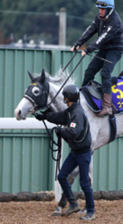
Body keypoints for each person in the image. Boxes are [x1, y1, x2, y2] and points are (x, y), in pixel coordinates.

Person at [35, 84, 95, 221]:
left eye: (65, 97)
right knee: (62, 176)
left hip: (83, 153)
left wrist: (60, 131)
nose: (64, 99)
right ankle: (73, 203)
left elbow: (74, 132)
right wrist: (44, 116)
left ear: (68, 98)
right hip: (75, 152)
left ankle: (91, 211)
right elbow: (58, 116)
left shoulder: (77, 113)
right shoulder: (70, 111)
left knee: (84, 182)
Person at [70, 0, 123, 117]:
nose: (100, 11)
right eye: (99, 9)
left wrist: (88, 49)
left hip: (114, 50)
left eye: (102, 9)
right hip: (104, 49)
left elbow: (102, 38)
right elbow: (90, 30)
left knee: (105, 73)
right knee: (89, 71)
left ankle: (107, 106)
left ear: (110, 10)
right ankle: (81, 98)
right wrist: (77, 43)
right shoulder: (99, 18)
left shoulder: (115, 22)